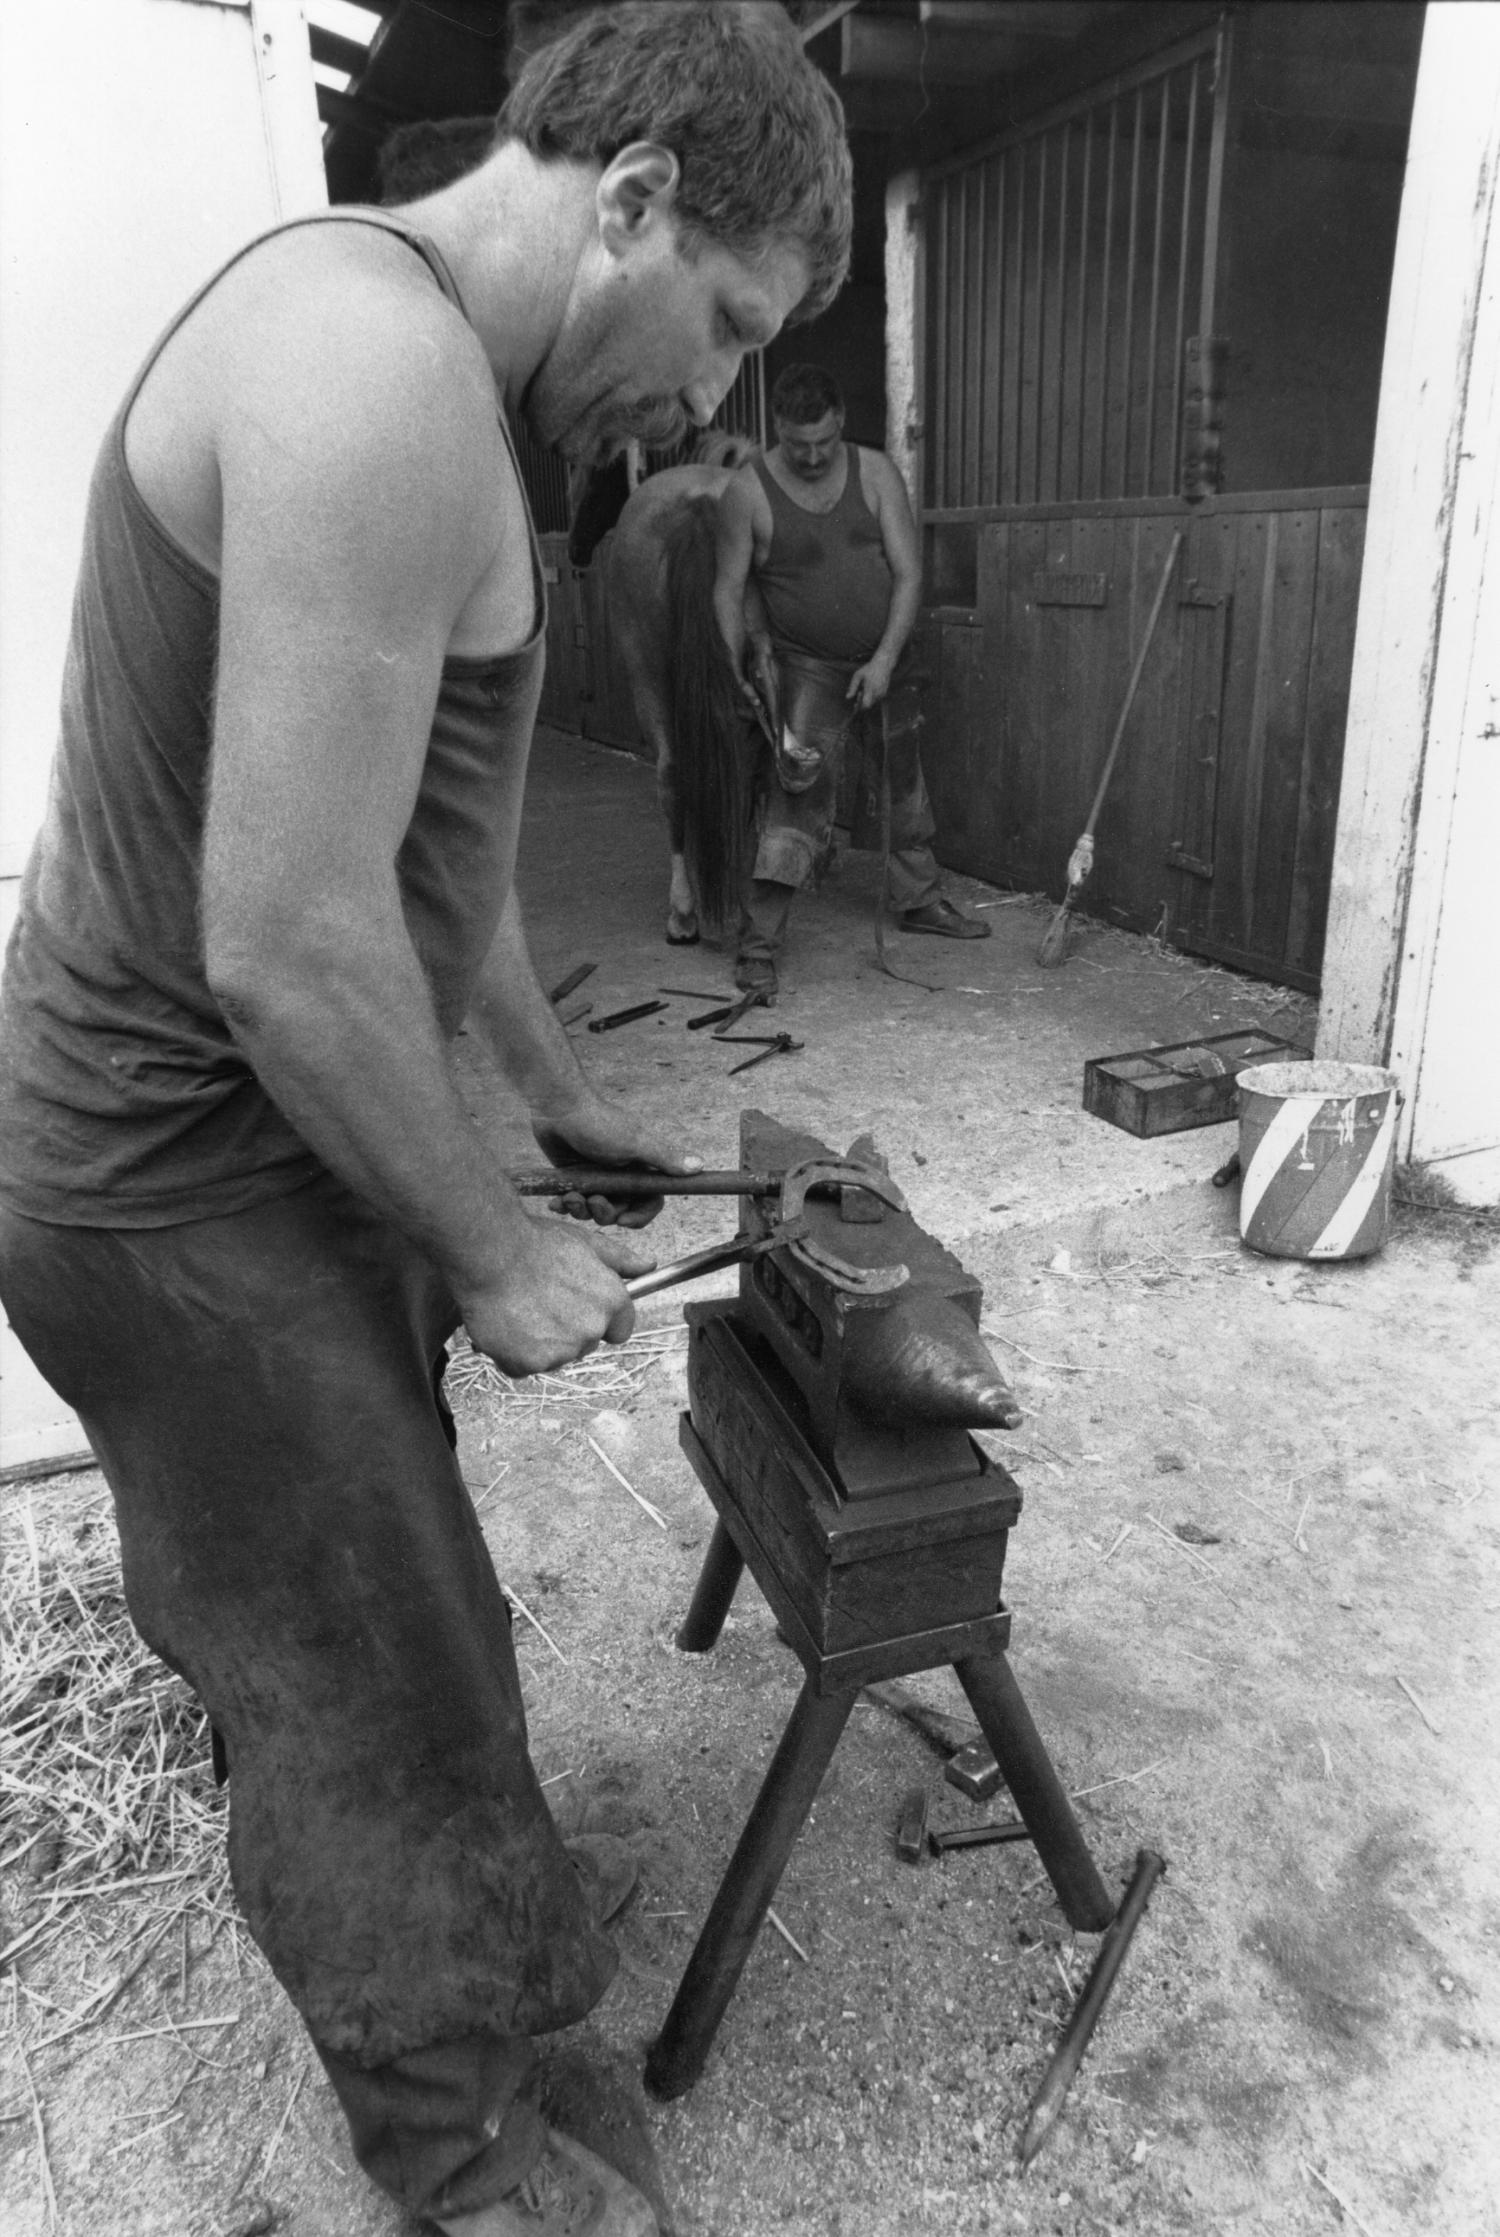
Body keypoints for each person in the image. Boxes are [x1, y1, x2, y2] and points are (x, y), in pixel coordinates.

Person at [0, 8, 851, 2234]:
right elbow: (289, 938)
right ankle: (457, 2144)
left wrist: (551, 1107)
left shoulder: (443, 388)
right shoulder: (370, 373)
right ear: (638, 198)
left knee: (394, 1602)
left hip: (238, 1147)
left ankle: (481, 1978)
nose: (716, 401)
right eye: (729, 325)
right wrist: (488, 1245)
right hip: (168, 1173)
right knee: (373, 1663)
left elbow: (418, 862)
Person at [712, 362, 989, 1001]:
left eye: (823, 443)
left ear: (840, 423)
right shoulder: (747, 493)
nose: (811, 458)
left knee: (901, 778)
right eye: (796, 444)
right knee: (798, 795)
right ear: (776, 429)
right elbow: (727, 590)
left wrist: (886, 660)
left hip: (886, 656)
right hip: (806, 663)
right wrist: (739, 665)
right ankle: (759, 947)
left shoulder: (876, 474)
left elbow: (910, 575)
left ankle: (917, 900)